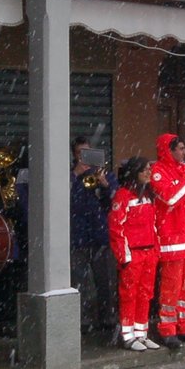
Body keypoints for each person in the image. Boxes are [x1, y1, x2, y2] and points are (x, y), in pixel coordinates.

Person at [149, 133, 185, 348]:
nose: (184, 153)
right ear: (168, 150)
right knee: (171, 287)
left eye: (184, 149)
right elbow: (169, 197)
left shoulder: (183, 171)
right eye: (180, 149)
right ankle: (167, 329)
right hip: (172, 238)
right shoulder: (157, 172)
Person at [108, 156, 160, 351]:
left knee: (145, 294)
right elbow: (116, 228)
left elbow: (153, 226)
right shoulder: (123, 195)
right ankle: (128, 336)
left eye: (149, 169)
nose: (149, 173)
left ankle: (141, 333)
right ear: (134, 173)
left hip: (148, 253)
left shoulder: (147, 195)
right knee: (129, 295)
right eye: (144, 170)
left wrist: (155, 250)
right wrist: (125, 256)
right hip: (133, 255)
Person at [70, 136, 116, 339]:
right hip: (77, 236)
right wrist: (75, 175)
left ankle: (107, 319)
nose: (83, 157)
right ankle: (82, 321)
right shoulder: (69, 175)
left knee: (104, 281)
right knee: (80, 282)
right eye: (80, 153)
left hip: (99, 235)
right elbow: (62, 197)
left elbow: (114, 200)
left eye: (87, 153)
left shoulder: (103, 173)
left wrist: (105, 185)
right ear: (74, 155)